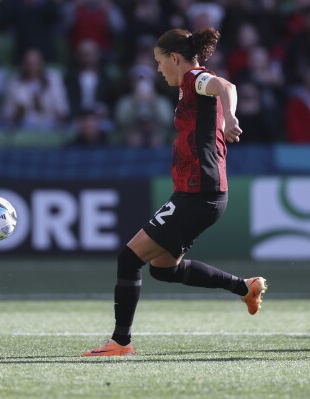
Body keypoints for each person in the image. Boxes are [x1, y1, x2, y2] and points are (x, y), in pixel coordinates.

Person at [83, 27, 267, 357]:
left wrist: (232, 118)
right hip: (197, 192)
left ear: (175, 59)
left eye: (159, 62)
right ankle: (244, 287)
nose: (157, 69)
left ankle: (120, 342)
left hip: (200, 194)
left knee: (129, 259)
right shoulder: (188, 85)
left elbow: (226, 85)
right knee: (164, 269)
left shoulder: (195, 78)